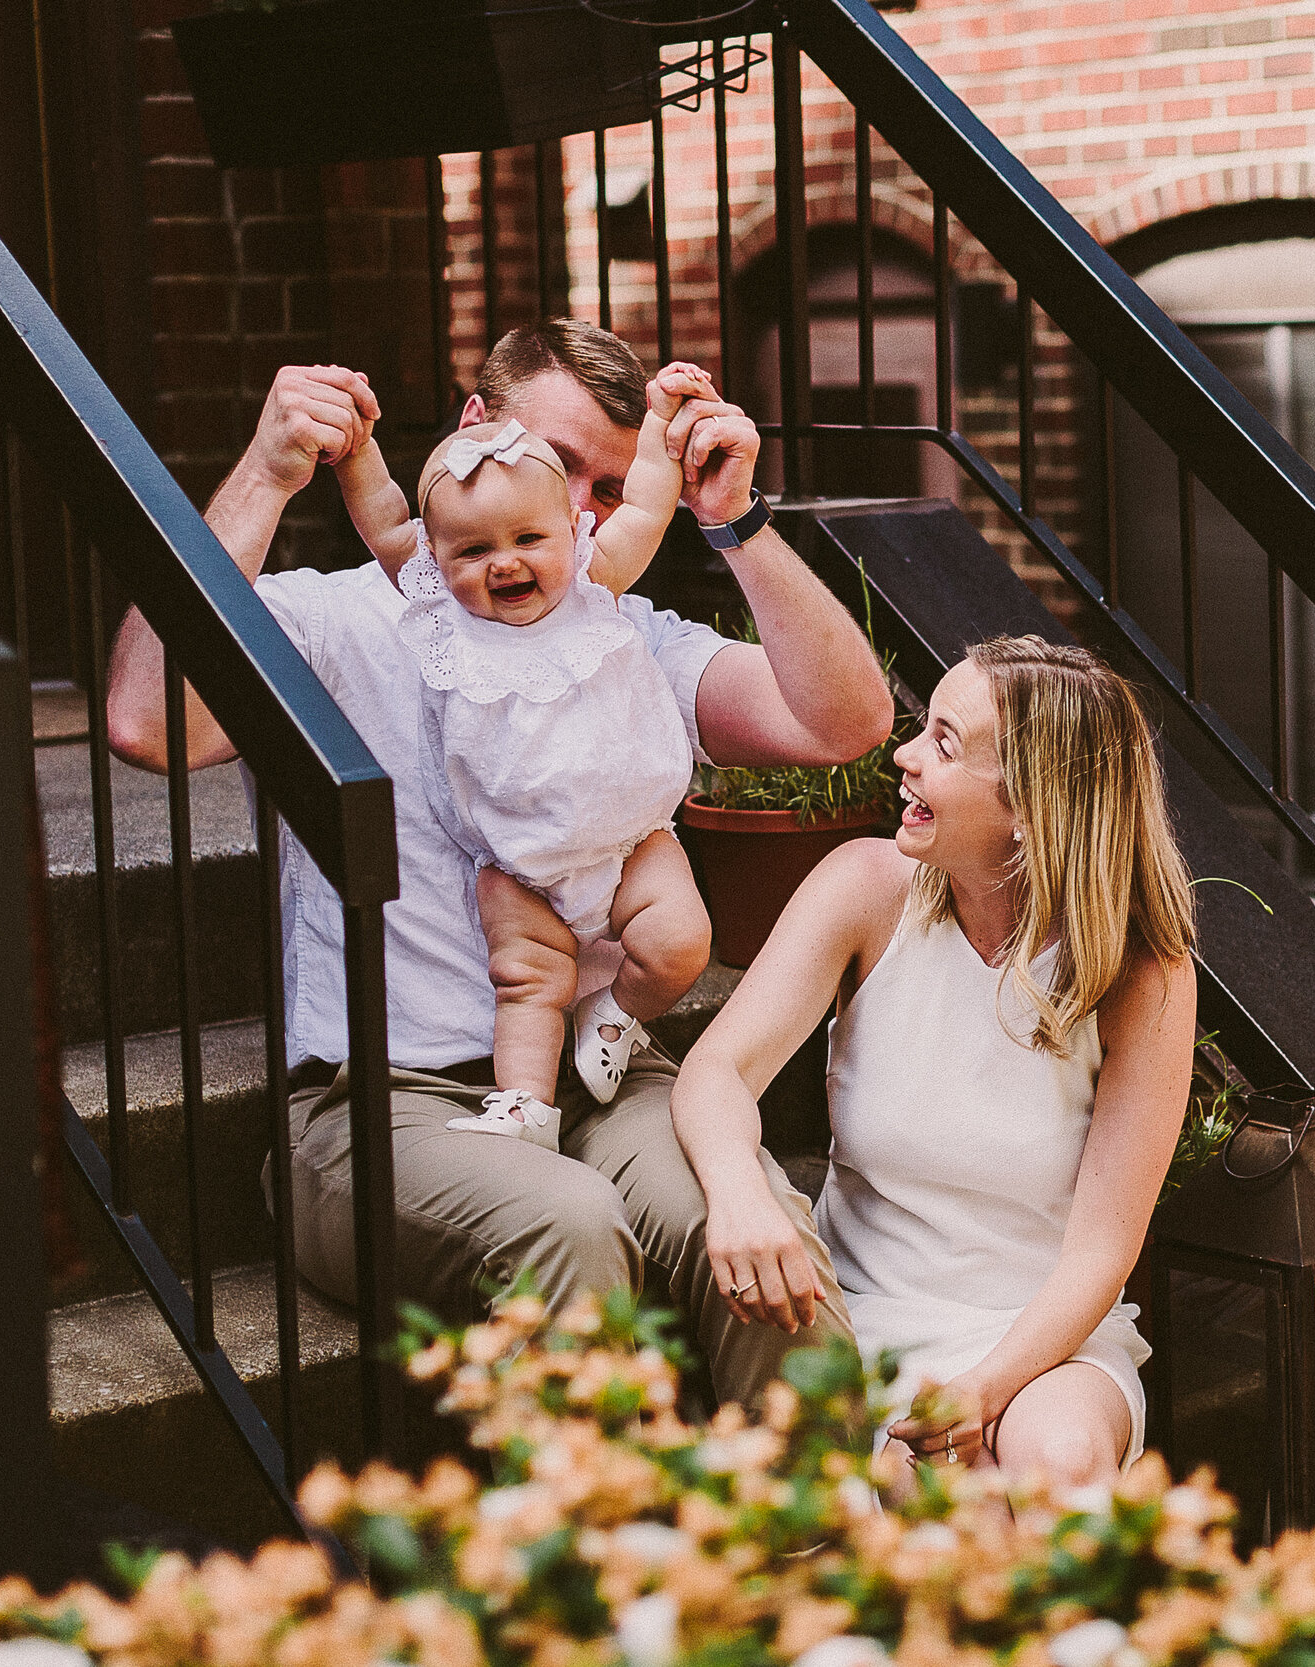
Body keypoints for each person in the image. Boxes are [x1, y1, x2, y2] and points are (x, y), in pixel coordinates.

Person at [105, 319, 892, 1407]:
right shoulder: (340, 617)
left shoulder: (612, 636)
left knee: (751, 1218)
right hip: (383, 1103)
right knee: (567, 1224)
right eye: (559, 460)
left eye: (607, 490)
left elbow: (843, 723)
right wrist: (268, 471)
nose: (573, 505)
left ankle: (822, 1535)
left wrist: (736, 520)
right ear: (474, 430)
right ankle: (601, 1566)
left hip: (600, 1081)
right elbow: (150, 722)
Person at [673, 637, 1198, 1486]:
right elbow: (716, 1071)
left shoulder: (1142, 968)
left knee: (1057, 1463)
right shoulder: (864, 889)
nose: (904, 756)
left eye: (944, 743)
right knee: (960, 1508)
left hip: (1048, 1333)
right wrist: (739, 1188)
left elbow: (1103, 1248)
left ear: (1031, 804)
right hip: (871, 1321)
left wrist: (984, 1389)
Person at [329, 360, 717, 1139]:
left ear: (571, 533)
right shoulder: (441, 611)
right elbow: (381, 517)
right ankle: (527, 1105)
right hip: (516, 860)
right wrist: (357, 449)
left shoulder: (591, 579)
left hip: (631, 837)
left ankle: (614, 1016)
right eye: (472, 550)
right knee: (528, 983)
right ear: (436, 559)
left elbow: (644, 501)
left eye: (528, 538)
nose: (504, 561)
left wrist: (663, 418)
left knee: (681, 941)